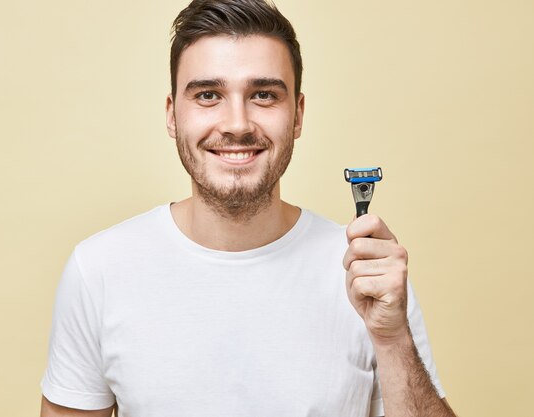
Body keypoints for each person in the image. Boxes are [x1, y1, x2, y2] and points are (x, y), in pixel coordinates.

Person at [40, 1, 457, 416]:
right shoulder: (99, 270)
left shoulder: (366, 273)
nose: (237, 124)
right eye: (208, 95)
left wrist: (392, 339)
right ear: (172, 116)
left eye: (263, 95)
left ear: (297, 115)